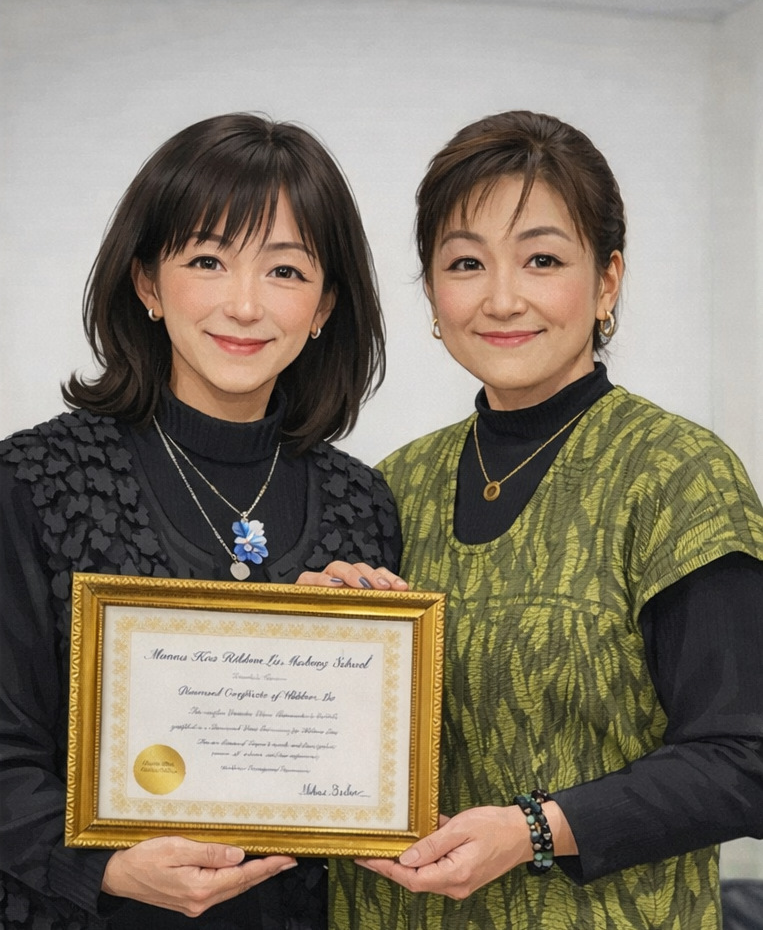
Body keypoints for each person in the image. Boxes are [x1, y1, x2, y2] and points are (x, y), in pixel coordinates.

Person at [300, 111, 763, 929]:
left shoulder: (675, 473)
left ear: (607, 281)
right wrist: (312, 638)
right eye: (465, 263)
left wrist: (533, 831)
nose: (501, 298)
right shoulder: (391, 484)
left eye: (541, 259)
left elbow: (743, 760)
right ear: (431, 292)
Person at [0, 113, 402, 930]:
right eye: (207, 261)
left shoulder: (364, 504)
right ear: (147, 284)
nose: (244, 305)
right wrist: (105, 870)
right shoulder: (35, 481)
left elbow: (371, 773)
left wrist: (368, 653)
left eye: (285, 270)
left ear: (324, 304)